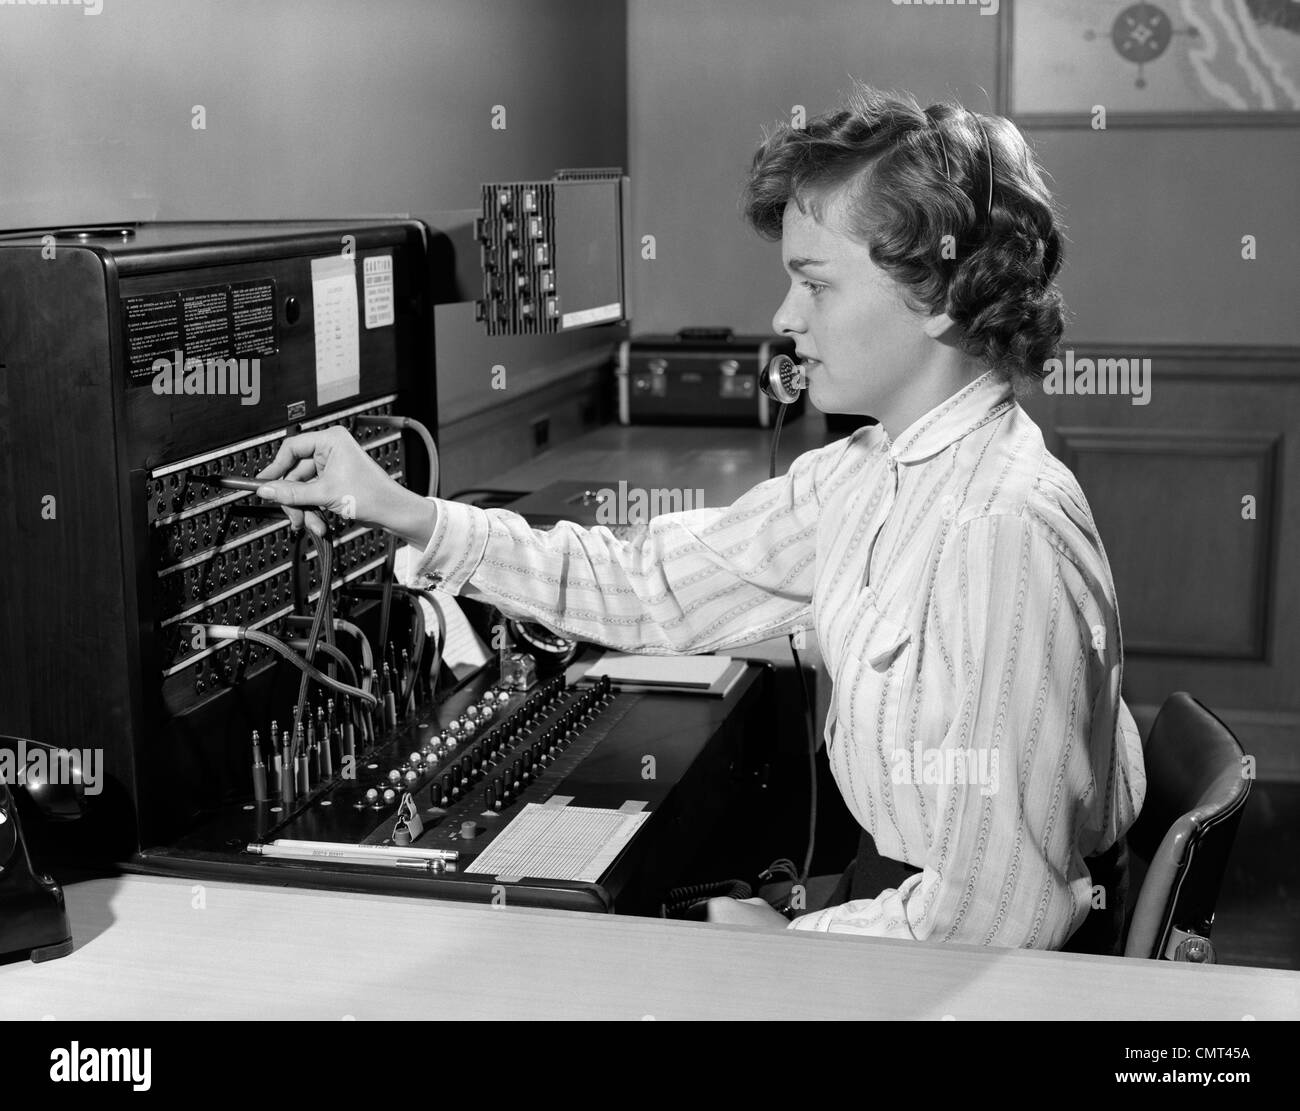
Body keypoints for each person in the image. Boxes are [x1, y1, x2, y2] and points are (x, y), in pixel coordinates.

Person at [254, 84, 1145, 951]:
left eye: (816, 284)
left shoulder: (998, 529)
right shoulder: (871, 473)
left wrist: (790, 940)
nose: (784, 316)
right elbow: (650, 586)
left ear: (944, 295)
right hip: (903, 909)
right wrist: (406, 513)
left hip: (955, 961)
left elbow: (997, 916)